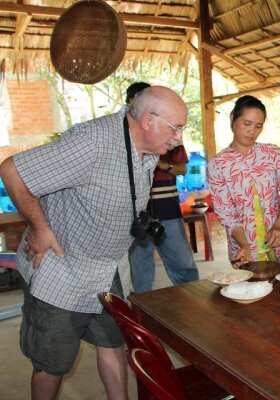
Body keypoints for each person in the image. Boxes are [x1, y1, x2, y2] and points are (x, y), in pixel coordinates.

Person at [0, 85, 186, 399]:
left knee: (113, 342)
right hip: (63, 270)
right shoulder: (92, 142)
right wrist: (40, 229)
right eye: (175, 128)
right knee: (52, 362)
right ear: (147, 121)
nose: (179, 137)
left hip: (109, 269)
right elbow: (12, 171)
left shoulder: (152, 152)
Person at [207, 95, 280, 267]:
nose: (252, 131)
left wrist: (279, 224)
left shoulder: (273, 154)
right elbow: (226, 213)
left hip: (279, 242)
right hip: (245, 249)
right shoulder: (217, 165)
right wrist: (244, 245)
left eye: (258, 126)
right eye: (246, 124)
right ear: (233, 118)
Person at [126, 82, 199, 293]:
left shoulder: (171, 136)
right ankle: (144, 314)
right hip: (136, 213)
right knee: (140, 270)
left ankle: (194, 304)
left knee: (183, 265)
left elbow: (182, 170)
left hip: (167, 208)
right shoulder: (122, 139)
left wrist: (159, 161)